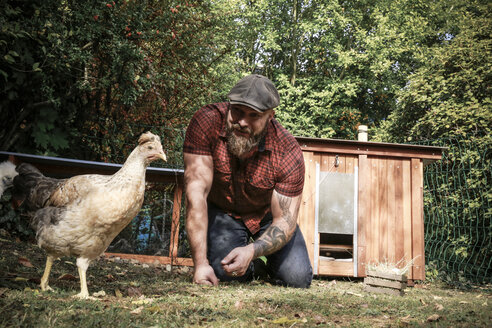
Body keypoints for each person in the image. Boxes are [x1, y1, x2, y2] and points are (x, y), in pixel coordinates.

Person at [183, 74, 312, 288]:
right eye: (238, 111)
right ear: (229, 104)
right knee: (222, 272)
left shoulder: (288, 150)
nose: (242, 122)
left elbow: (285, 221)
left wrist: (251, 251)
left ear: (270, 117)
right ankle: (255, 270)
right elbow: (195, 195)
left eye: (254, 115)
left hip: (268, 216)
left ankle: (265, 262)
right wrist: (200, 263)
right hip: (223, 211)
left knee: (297, 279)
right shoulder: (206, 122)